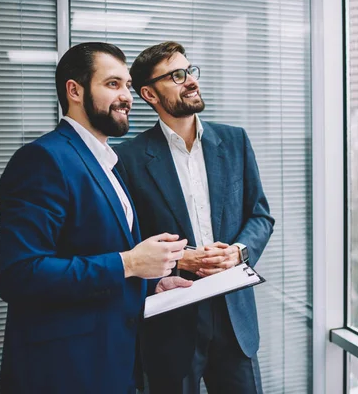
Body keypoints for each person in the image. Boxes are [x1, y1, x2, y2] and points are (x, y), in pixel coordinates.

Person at [0, 42, 192, 393]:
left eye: (128, 86)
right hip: (64, 371)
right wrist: (129, 263)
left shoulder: (109, 163)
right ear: (75, 90)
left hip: (113, 362)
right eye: (112, 84)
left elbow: (94, 249)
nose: (127, 97)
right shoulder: (43, 159)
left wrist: (151, 284)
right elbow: (19, 275)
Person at [114, 41, 275, 394]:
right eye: (176, 75)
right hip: (171, 320)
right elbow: (125, 240)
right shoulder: (127, 159)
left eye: (190, 71)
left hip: (236, 317)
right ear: (149, 94)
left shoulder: (235, 141)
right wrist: (176, 259)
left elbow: (260, 215)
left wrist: (238, 252)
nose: (190, 81)